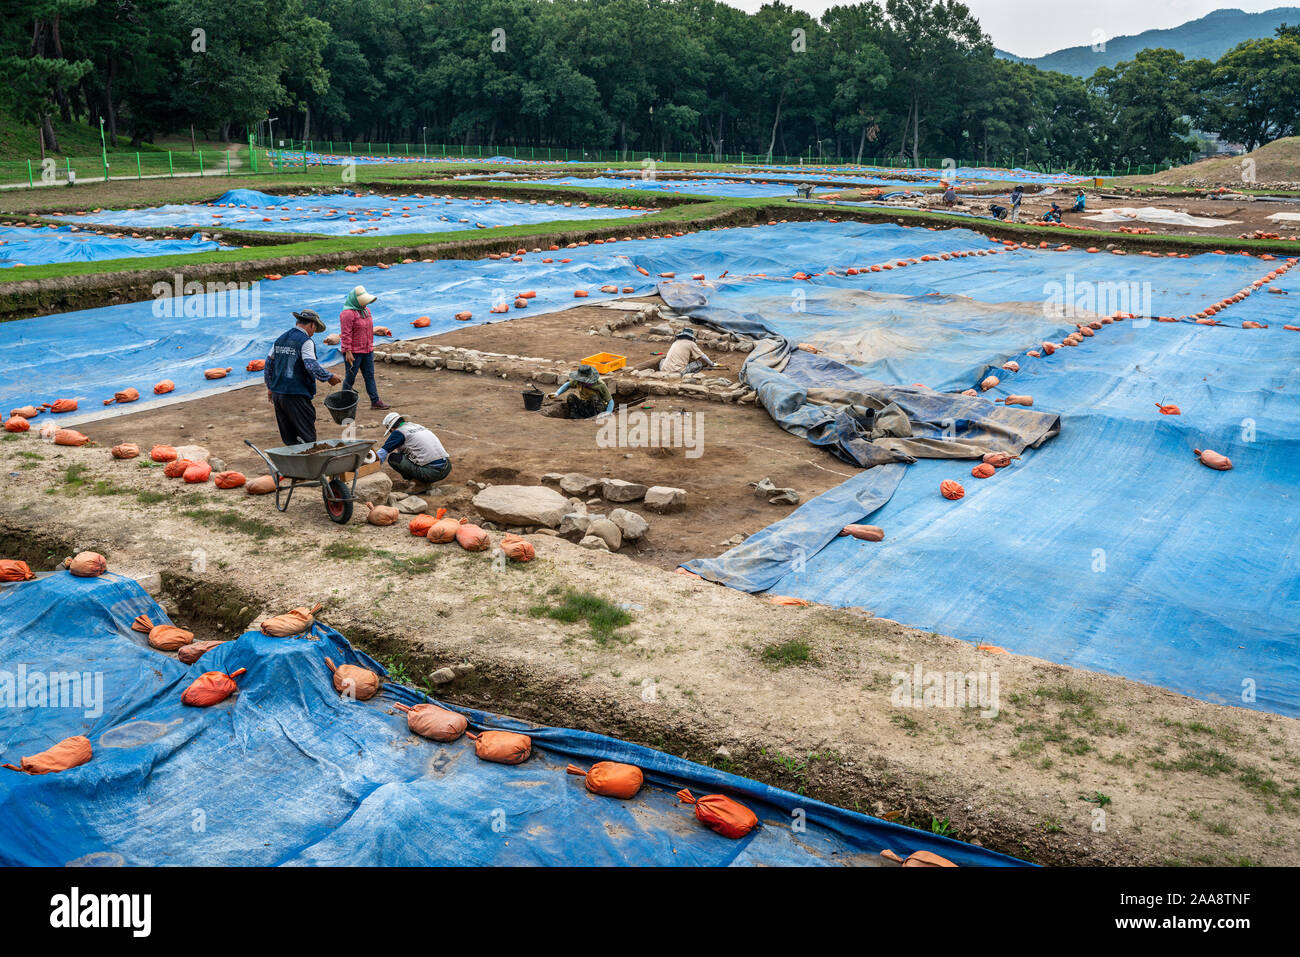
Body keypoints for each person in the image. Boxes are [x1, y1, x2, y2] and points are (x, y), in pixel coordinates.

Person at [263, 309, 341, 446]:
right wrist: (329, 376)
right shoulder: (306, 342)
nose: (313, 333)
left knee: (289, 437)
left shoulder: (280, 339)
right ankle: (308, 465)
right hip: (296, 394)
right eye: (314, 329)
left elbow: (269, 363)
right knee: (307, 436)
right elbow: (311, 365)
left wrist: (270, 387)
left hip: (278, 394)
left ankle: (293, 465)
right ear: (312, 325)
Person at [339, 285, 390, 410]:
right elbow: (345, 334)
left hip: (367, 350)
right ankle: (344, 403)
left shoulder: (366, 310)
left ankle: (375, 401)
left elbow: (368, 329)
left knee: (369, 376)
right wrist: (348, 352)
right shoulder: (347, 314)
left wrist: (370, 346)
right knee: (350, 378)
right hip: (354, 352)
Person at [377, 411, 451, 491]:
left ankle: (420, 484)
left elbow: (382, 453)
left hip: (431, 473)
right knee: (406, 453)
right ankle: (426, 477)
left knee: (394, 458)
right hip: (447, 467)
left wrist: (369, 466)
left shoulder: (398, 432)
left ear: (391, 428)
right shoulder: (417, 426)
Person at [542, 364, 614, 419]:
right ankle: (575, 417)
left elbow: (610, 400)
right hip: (584, 405)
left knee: (594, 397)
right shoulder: (578, 381)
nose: (581, 382)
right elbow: (567, 385)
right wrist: (557, 393)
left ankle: (594, 417)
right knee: (571, 397)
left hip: (597, 406)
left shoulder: (601, 384)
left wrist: (607, 412)